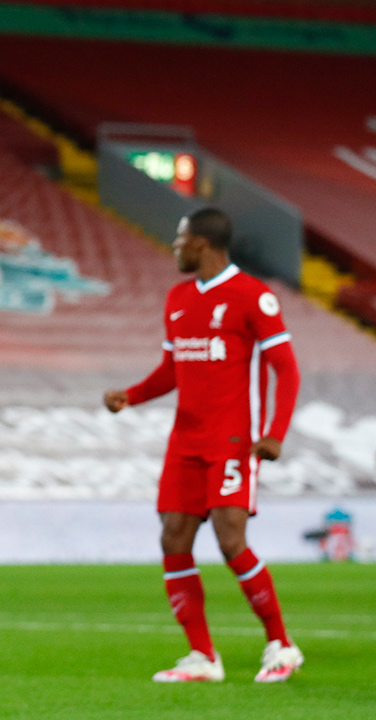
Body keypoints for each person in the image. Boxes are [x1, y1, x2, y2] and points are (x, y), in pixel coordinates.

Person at [104, 207, 303, 683]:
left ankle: (280, 644)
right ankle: (202, 657)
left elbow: (286, 368)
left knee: (230, 538)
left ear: (203, 243)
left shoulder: (254, 296)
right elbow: (173, 369)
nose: (174, 246)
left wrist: (275, 433)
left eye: (180, 238)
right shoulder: (176, 298)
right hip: (186, 439)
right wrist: (130, 395)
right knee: (173, 536)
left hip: (233, 438)